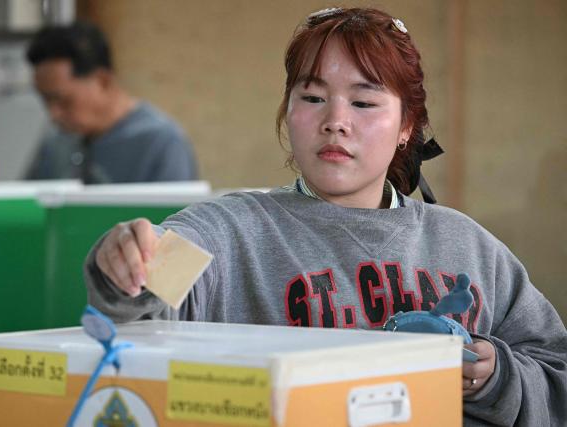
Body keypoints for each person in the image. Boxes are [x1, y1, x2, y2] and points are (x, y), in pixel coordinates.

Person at [83, 7, 567, 425]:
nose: (336, 120)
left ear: (407, 126)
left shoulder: (468, 246)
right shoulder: (230, 232)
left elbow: (555, 376)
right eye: (312, 98)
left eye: (363, 102)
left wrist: (495, 376)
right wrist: (128, 264)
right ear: (287, 110)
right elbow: (143, 306)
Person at [23, 21, 198, 183]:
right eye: (45, 100)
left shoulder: (161, 143)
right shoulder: (56, 141)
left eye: (64, 100)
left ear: (103, 81)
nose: (53, 114)